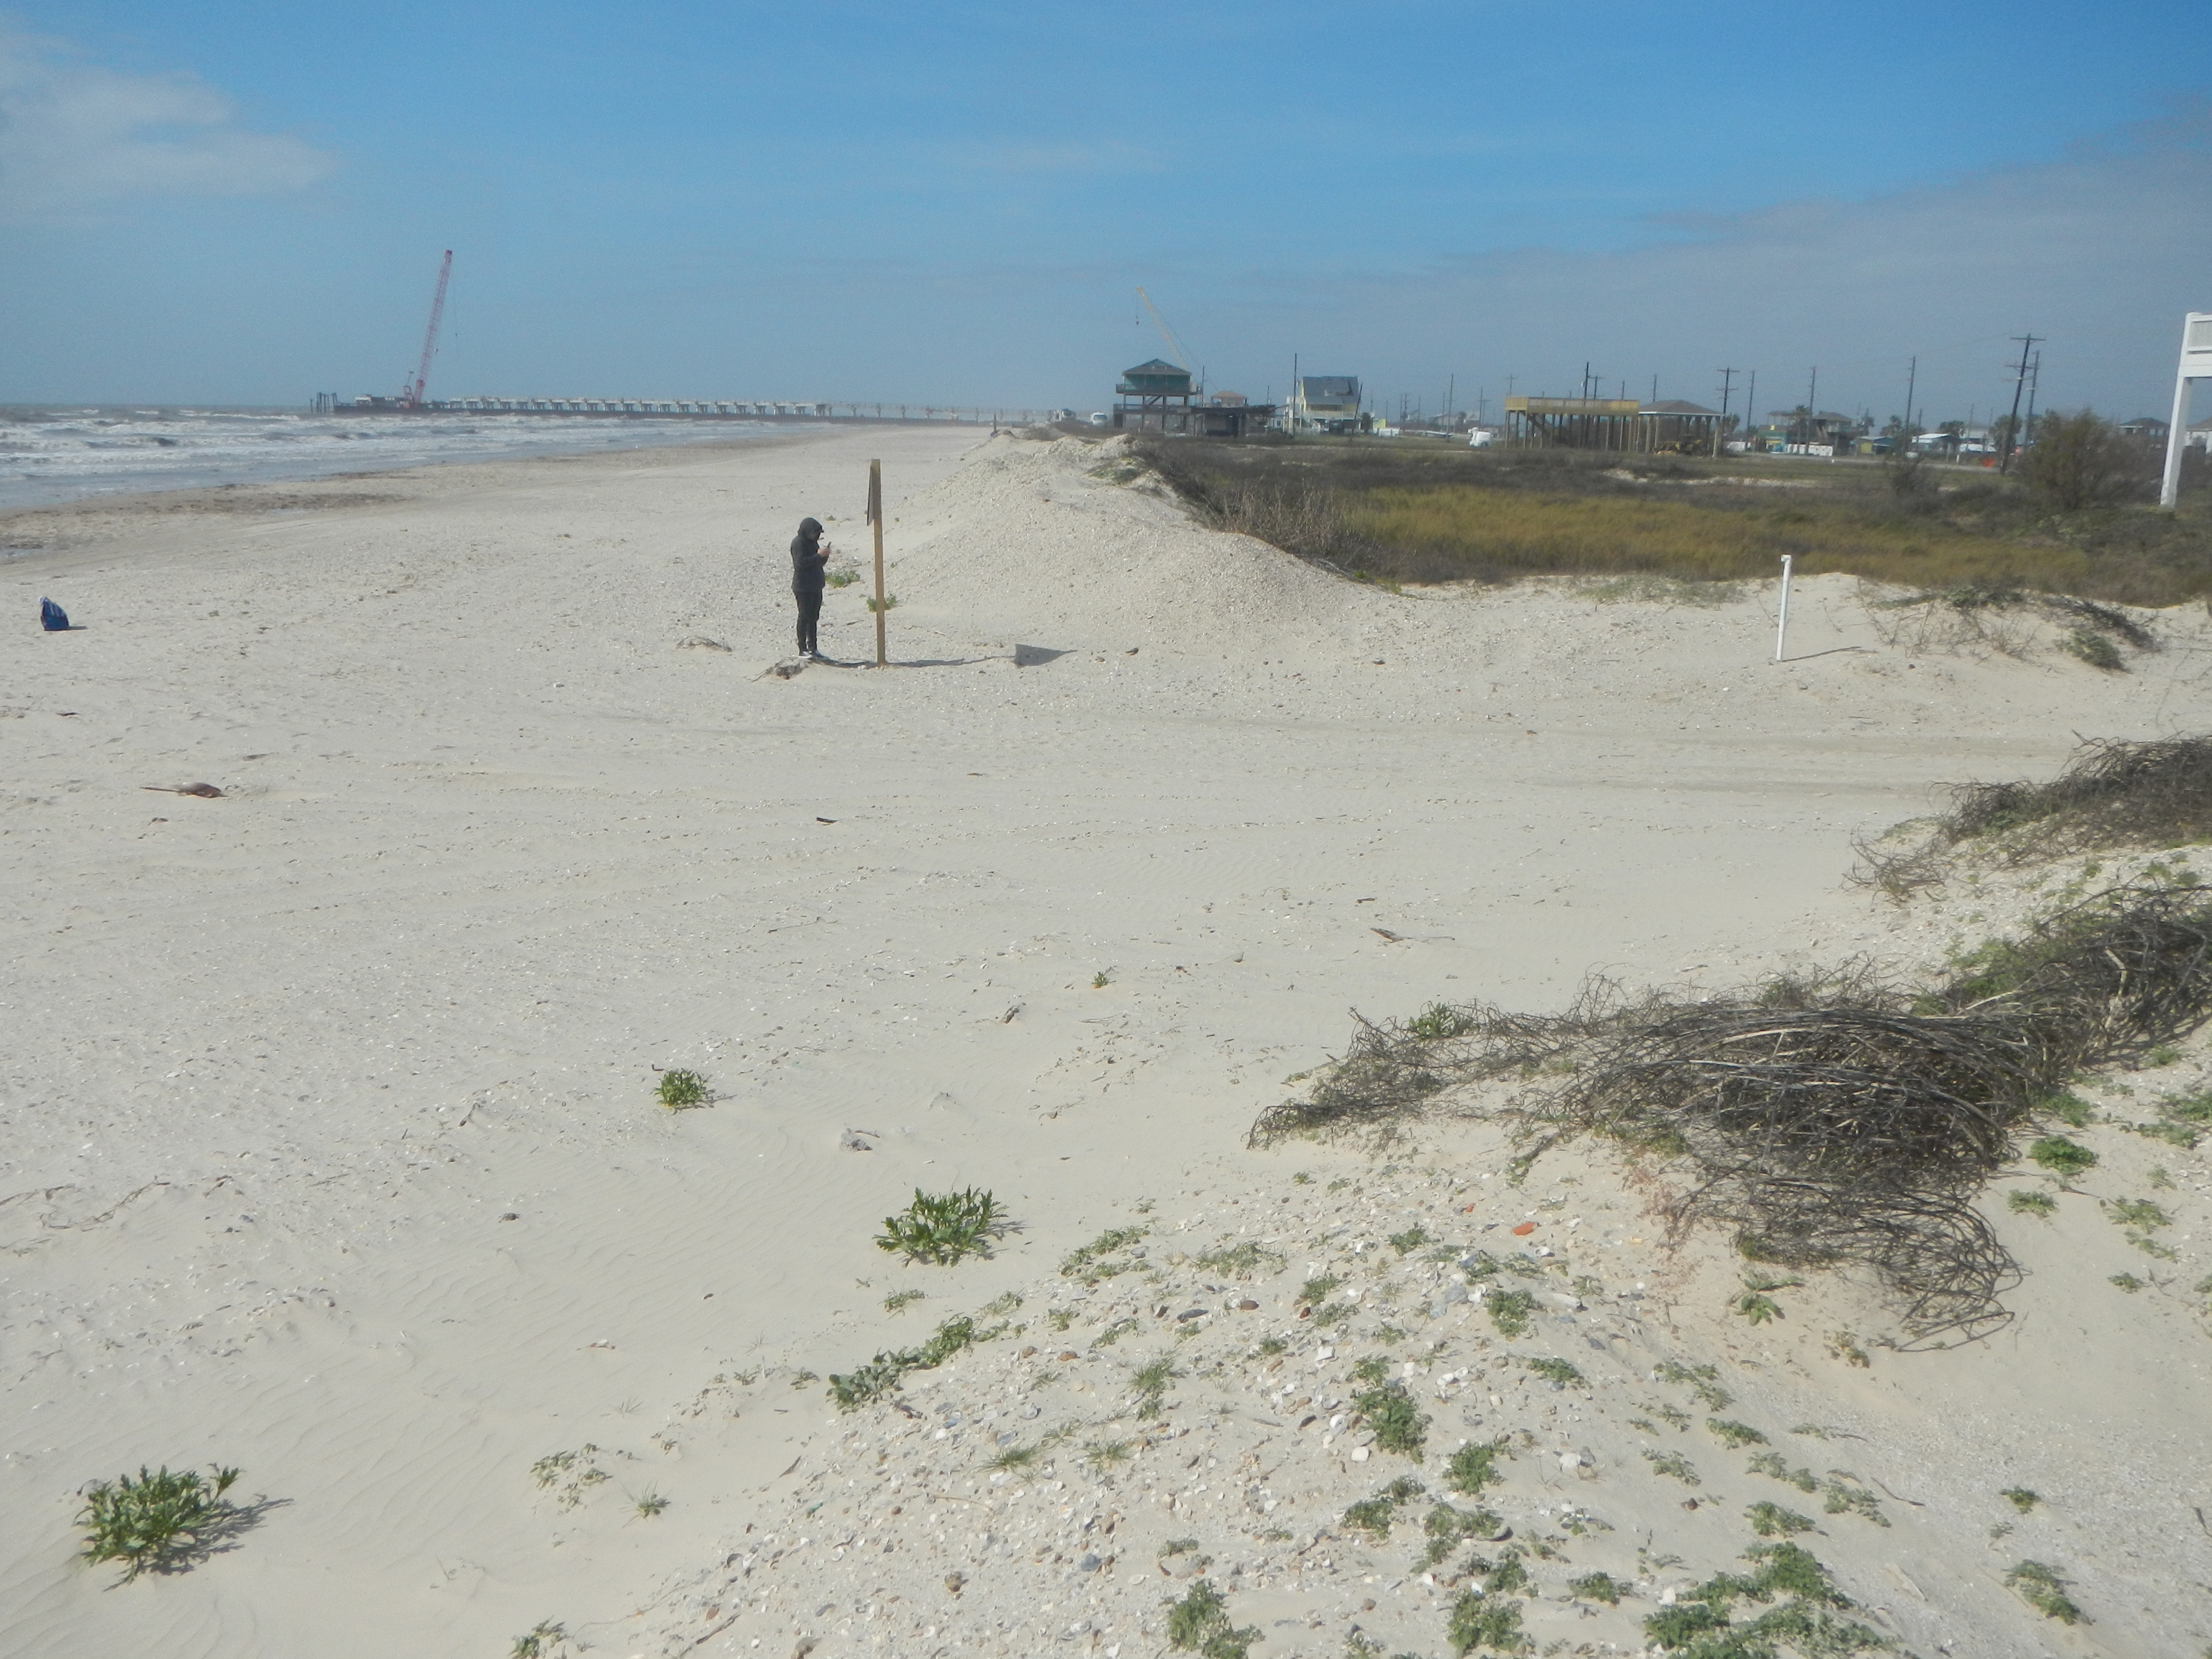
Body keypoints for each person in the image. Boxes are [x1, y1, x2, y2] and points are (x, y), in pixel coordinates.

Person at [790, 516, 830, 660]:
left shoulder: (813, 544)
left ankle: (813, 648)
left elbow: (816, 563)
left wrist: (824, 556)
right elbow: (801, 563)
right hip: (803, 587)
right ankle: (803, 648)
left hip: (816, 585)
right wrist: (818, 556)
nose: (816, 536)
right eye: (815, 533)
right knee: (804, 617)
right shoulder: (798, 543)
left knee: (814, 618)